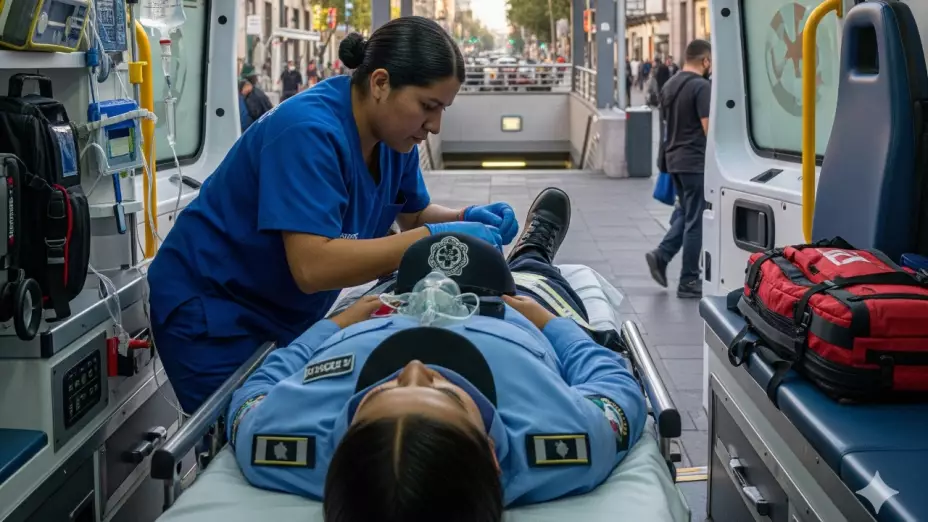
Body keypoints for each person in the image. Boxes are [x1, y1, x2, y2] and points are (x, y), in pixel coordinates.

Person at [147, 17, 520, 413]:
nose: (435, 125)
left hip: (284, 312)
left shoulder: (395, 139)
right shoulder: (307, 132)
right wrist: (435, 238)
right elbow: (313, 267)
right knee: (251, 427)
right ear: (380, 83)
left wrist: (465, 216)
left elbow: (414, 216)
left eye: (443, 109)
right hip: (214, 312)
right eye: (428, 106)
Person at [229, 188, 647, 521]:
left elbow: (257, 386)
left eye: (377, 393)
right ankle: (533, 251)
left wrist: (334, 326)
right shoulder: (566, 441)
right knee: (536, 278)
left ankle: (394, 255)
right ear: (493, 457)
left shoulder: (278, 442)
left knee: (391, 271)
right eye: (445, 393)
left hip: (389, 304)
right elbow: (615, 383)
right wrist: (550, 325)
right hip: (507, 310)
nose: (414, 367)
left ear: (338, 452)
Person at [646, 39, 712, 298]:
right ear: (705, 61)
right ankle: (688, 279)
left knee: (685, 212)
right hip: (694, 161)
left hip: (673, 160)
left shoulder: (670, 85)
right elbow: (708, 129)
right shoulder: (701, 87)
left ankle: (661, 256)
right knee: (696, 219)